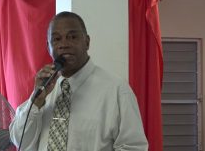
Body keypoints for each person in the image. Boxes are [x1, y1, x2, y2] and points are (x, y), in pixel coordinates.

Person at [9, 11, 148, 151]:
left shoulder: (117, 90)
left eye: (72, 37)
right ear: (48, 47)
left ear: (87, 42)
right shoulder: (44, 91)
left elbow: (133, 147)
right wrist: (36, 101)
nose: (64, 44)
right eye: (56, 39)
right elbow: (20, 141)